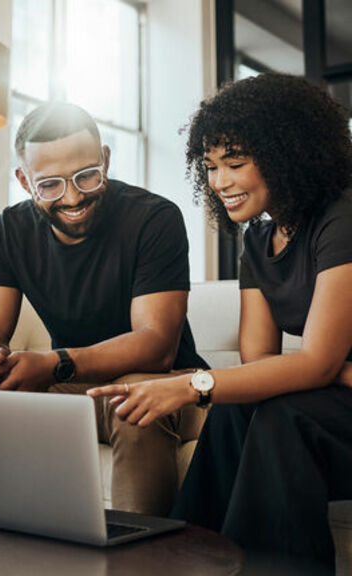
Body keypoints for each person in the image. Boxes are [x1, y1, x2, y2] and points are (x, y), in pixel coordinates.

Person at [88, 73, 352, 573]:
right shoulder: (258, 241)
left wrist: (193, 384)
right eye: (210, 167)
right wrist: (330, 369)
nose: (220, 182)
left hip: (335, 411)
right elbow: (260, 362)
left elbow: (314, 363)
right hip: (340, 393)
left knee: (281, 419)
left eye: (235, 163)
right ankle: (183, 562)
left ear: (287, 155)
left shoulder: (342, 221)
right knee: (237, 408)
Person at [0, 101, 208, 516]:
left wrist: (53, 364)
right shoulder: (8, 231)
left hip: (163, 380)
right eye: (50, 185)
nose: (73, 197)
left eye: (87, 176)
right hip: (77, 386)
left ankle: (139, 562)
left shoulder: (154, 219)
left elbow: (157, 344)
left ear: (105, 160)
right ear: (24, 180)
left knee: (133, 407)